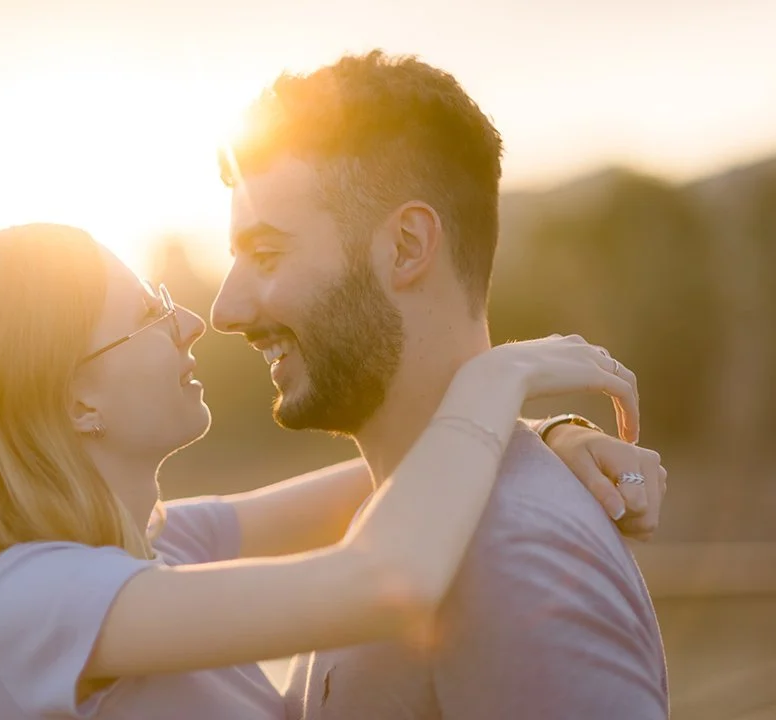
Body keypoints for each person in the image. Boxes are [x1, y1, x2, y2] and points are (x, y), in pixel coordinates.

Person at [0, 223, 660, 720]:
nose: (189, 322)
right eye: (148, 314)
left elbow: (404, 468)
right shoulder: (26, 599)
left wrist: (547, 430)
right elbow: (385, 581)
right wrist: (496, 378)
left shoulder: (154, 549)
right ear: (76, 401)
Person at [210, 50, 669, 718]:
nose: (227, 309)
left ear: (405, 247)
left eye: (268, 254)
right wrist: (547, 427)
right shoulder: (406, 512)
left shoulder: (517, 556)